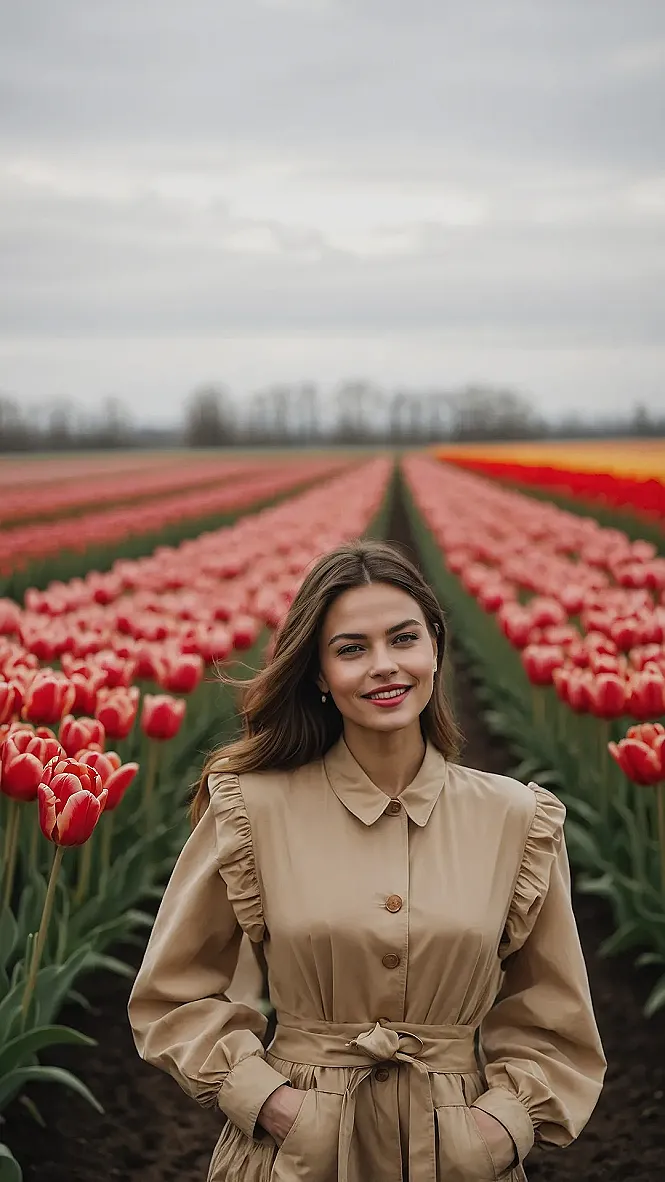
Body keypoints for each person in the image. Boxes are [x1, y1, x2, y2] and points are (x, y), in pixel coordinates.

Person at [128, 539, 606, 1181]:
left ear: (435, 646)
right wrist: (270, 1103)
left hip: (457, 1159)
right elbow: (173, 994)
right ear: (320, 674)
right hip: (296, 1157)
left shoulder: (515, 819)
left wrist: (496, 1131)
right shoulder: (251, 810)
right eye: (352, 649)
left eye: (403, 639)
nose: (384, 666)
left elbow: (555, 1018)